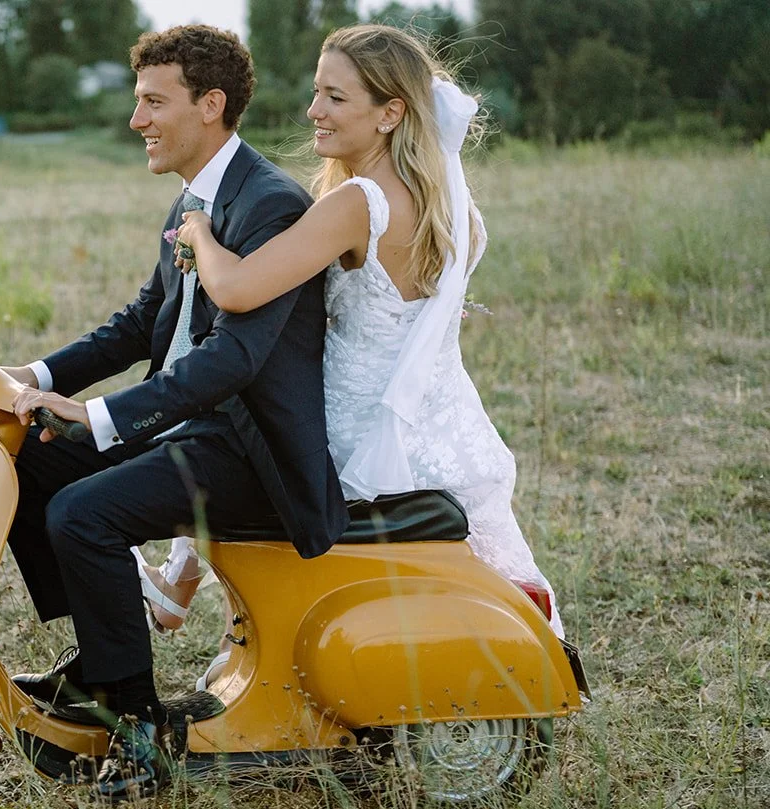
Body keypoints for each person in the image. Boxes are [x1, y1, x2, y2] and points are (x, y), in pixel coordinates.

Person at [137, 23, 565, 674]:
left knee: (236, 423)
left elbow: (240, 290)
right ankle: (206, 605)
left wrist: (201, 231)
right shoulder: (452, 205)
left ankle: (198, 601)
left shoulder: (359, 203)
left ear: (390, 113)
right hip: (441, 421)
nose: (314, 110)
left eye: (335, 98)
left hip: (356, 423)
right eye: (317, 92)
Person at [0, 24, 347, 799]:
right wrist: (36, 374)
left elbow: (232, 362)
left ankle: (139, 730)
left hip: (247, 447)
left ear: (210, 105)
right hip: (191, 423)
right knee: (29, 458)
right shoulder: (195, 196)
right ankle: (101, 665)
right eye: (139, 102)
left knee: (83, 513)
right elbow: (142, 322)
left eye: (154, 102)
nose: (137, 120)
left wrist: (97, 416)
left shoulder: (270, 205)